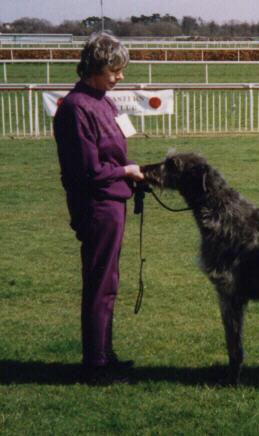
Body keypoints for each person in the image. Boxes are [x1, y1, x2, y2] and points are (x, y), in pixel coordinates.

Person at [54, 32, 143, 384]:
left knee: (110, 282)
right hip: (97, 206)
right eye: (115, 70)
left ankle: (104, 354)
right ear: (95, 66)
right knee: (100, 283)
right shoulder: (76, 109)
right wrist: (124, 171)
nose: (120, 76)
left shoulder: (104, 102)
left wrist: (131, 169)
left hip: (114, 201)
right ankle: (95, 363)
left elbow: (115, 151)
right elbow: (88, 170)